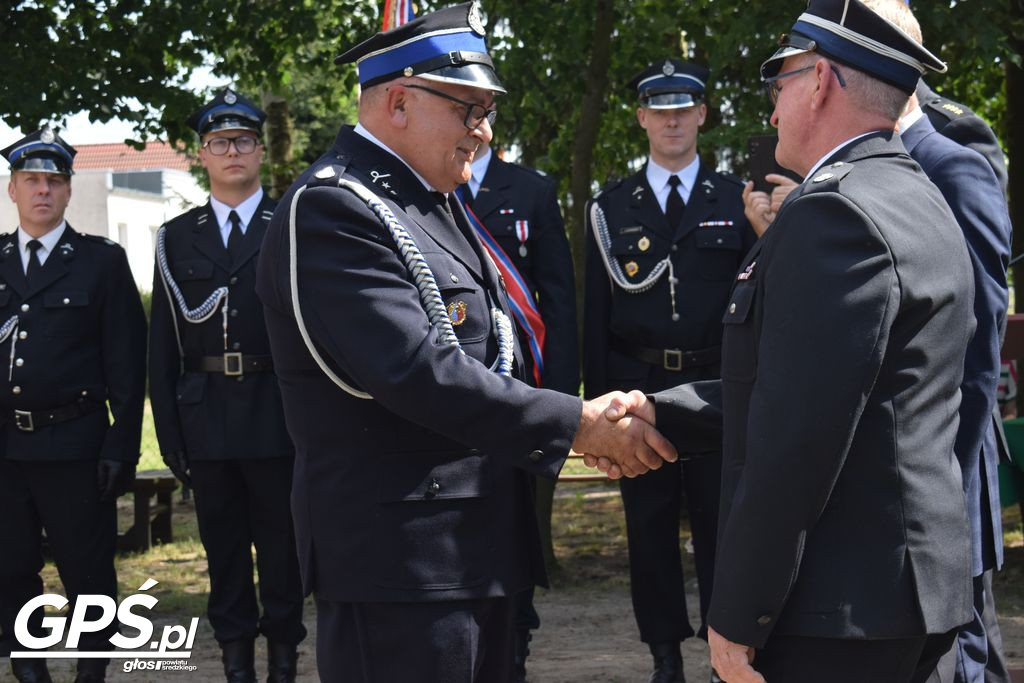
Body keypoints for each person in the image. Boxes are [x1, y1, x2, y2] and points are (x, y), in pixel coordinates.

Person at [254, 3, 676, 682]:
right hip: (401, 566)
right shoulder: (336, 207)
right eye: (468, 109)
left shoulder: (429, 201)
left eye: (487, 111)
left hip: (477, 550)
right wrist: (578, 425)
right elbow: (419, 371)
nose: (482, 132)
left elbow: (494, 350)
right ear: (398, 101)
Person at [603, 0, 979, 680]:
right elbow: (832, 386)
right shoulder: (916, 194)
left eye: (780, 84)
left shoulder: (832, 212)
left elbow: (797, 437)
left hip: (836, 611)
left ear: (823, 81)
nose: (773, 111)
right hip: (905, 597)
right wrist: (665, 413)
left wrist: (738, 613)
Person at [582, 56, 755, 683]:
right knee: (649, 533)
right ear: (641, 119)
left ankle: (722, 652)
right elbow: (595, 318)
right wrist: (602, 410)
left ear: (703, 115)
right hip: (639, 391)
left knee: (722, 530)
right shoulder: (612, 206)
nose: (673, 120)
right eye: (661, 109)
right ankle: (663, 657)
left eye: (685, 109)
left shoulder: (738, 201)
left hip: (717, 392)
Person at [862, 4, 1014, 682]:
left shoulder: (954, 166)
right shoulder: (866, 168)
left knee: (964, 657)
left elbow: (978, 352)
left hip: (946, 477)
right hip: (890, 486)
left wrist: (942, 487)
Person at [148, 88, 306, 683]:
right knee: (224, 555)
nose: (232, 151)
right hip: (206, 419)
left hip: (278, 417)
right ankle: (236, 662)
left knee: (283, 550)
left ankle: (284, 661)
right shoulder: (175, 238)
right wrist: (170, 436)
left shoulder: (293, 223)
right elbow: (160, 349)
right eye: (219, 143)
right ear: (202, 155)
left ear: (260, 151)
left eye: (242, 140)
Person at [0, 129, 147, 683]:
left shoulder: (99, 263)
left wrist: (121, 449)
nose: (43, 191)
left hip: (76, 449)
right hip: (5, 450)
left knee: (88, 577)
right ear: (12, 189)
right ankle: (30, 670)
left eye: (54, 182)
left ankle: (90, 674)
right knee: (11, 571)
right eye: (31, 181)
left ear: (67, 192)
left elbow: (127, 369)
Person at [455, 139, 579, 682]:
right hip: (450, 394)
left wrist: (558, 403)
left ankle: (516, 649)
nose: (474, 125)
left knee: (515, 526)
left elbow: (558, 301)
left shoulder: (532, 191)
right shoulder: (417, 190)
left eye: (484, 111)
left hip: (522, 396)